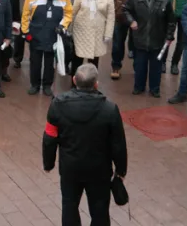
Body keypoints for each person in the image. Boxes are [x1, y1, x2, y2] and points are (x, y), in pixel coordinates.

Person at [43, 64, 128, 226]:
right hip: (99, 171)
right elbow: (118, 143)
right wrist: (121, 170)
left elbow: (49, 137)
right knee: (100, 211)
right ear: (96, 84)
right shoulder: (109, 109)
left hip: (70, 168)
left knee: (69, 206)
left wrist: (48, 163)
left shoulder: (57, 105)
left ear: (74, 80)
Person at [21, 0, 73, 96]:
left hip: (53, 33)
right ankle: (34, 84)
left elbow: (68, 13)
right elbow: (26, 13)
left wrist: (62, 26)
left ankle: (47, 85)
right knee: (35, 61)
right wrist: (25, 32)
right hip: (36, 33)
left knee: (50, 62)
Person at [122, 0, 176, 97]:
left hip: (157, 38)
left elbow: (171, 21)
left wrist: (169, 36)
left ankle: (154, 89)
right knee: (139, 66)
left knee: (156, 67)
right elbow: (125, 10)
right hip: (140, 38)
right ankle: (138, 87)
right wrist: (131, 21)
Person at [70, 0, 114, 73]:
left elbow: (111, 15)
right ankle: (75, 83)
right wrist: (67, 27)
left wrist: (108, 34)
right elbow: (73, 11)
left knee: (94, 59)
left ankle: (91, 83)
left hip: (98, 32)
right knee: (77, 58)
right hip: (81, 31)